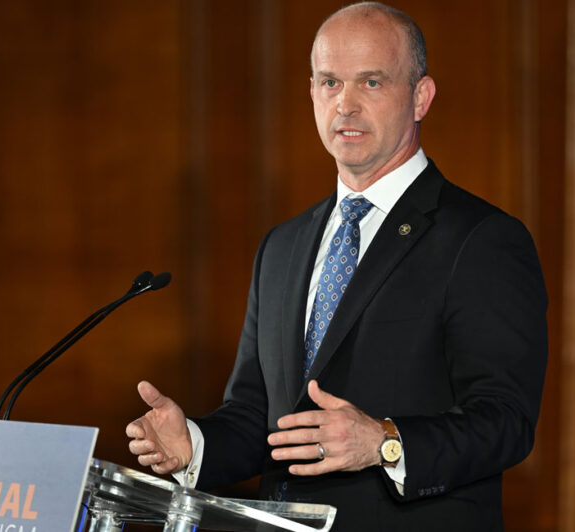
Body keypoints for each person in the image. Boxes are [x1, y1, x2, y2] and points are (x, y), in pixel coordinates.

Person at [126, 2, 547, 530]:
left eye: (371, 83)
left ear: (420, 97)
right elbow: (261, 417)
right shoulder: (281, 246)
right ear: (311, 93)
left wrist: (385, 443)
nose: (344, 104)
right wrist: (194, 444)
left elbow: (506, 421)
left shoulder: (481, 239)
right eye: (329, 83)